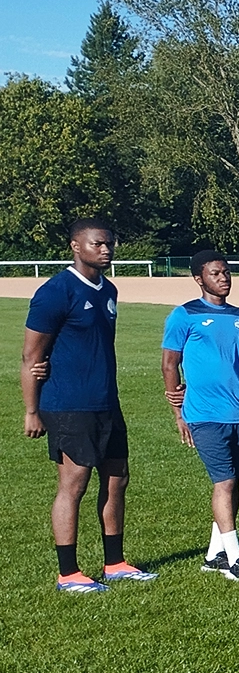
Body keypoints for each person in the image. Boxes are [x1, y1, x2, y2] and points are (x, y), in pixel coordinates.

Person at [21, 218, 154, 592]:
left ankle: (115, 562)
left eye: (110, 243)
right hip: (68, 404)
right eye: (98, 244)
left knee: (117, 480)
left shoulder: (108, 290)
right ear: (76, 247)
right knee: (73, 484)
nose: (106, 250)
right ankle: (69, 572)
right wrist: (32, 411)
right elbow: (31, 355)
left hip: (106, 403)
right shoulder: (56, 292)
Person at [161, 250, 239, 582]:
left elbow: (235, 360)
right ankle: (236, 559)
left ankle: (214, 555)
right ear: (198, 278)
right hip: (203, 413)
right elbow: (169, 363)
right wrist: (179, 413)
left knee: (235, 482)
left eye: (227, 272)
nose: (223, 278)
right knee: (225, 481)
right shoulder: (184, 315)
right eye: (215, 273)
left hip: (236, 410)